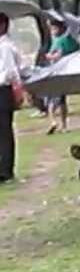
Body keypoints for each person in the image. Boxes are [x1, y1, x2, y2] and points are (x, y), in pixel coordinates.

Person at [0, 14, 26, 184]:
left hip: (3, 90)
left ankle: (5, 171)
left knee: (4, 131)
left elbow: (11, 72)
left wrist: (18, 90)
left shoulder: (6, 47)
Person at [45, 17, 80, 135]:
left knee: (50, 100)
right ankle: (64, 125)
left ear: (59, 28)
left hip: (56, 73)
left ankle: (53, 121)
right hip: (66, 73)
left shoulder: (59, 41)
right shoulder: (71, 40)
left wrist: (48, 56)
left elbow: (58, 55)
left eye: (53, 28)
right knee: (62, 101)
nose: (52, 31)